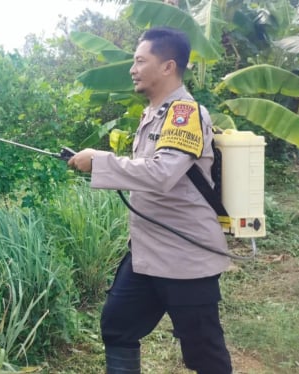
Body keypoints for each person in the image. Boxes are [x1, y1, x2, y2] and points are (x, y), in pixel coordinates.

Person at [67, 27, 233, 374]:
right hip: (146, 254)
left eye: (140, 61)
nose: (133, 68)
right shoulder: (153, 114)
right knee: (117, 327)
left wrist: (99, 161)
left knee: (204, 354)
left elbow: (162, 174)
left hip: (186, 256)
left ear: (168, 66)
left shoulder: (185, 113)